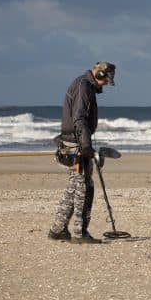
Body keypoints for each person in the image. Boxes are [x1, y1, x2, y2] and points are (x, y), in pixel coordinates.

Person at [48, 61, 116, 244]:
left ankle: (58, 229)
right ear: (99, 74)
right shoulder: (84, 86)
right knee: (84, 188)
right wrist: (85, 146)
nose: (105, 85)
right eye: (105, 80)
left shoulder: (84, 84)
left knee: (74, 186)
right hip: (76, 145)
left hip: (72, 143)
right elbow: (79, 118)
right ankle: (79, 233)